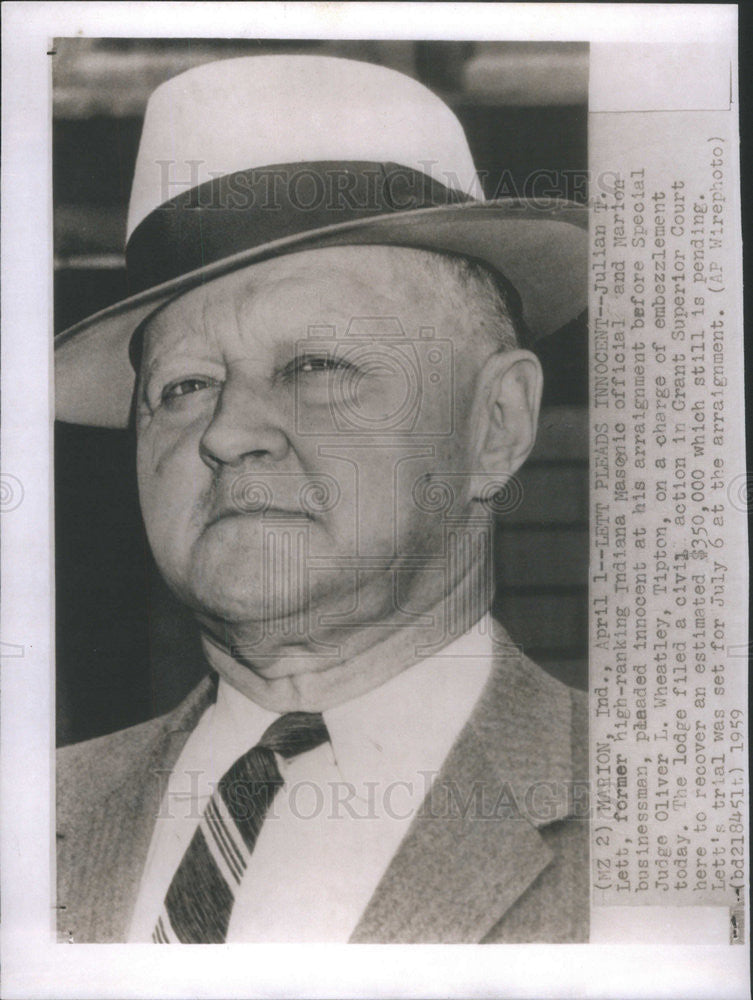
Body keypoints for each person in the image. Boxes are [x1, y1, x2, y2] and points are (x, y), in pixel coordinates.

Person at [55, 54, 589, 944]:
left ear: (495, 424)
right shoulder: (29, 815)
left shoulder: (691, 821)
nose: (228, 432)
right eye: (185, 387)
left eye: (315, 366)